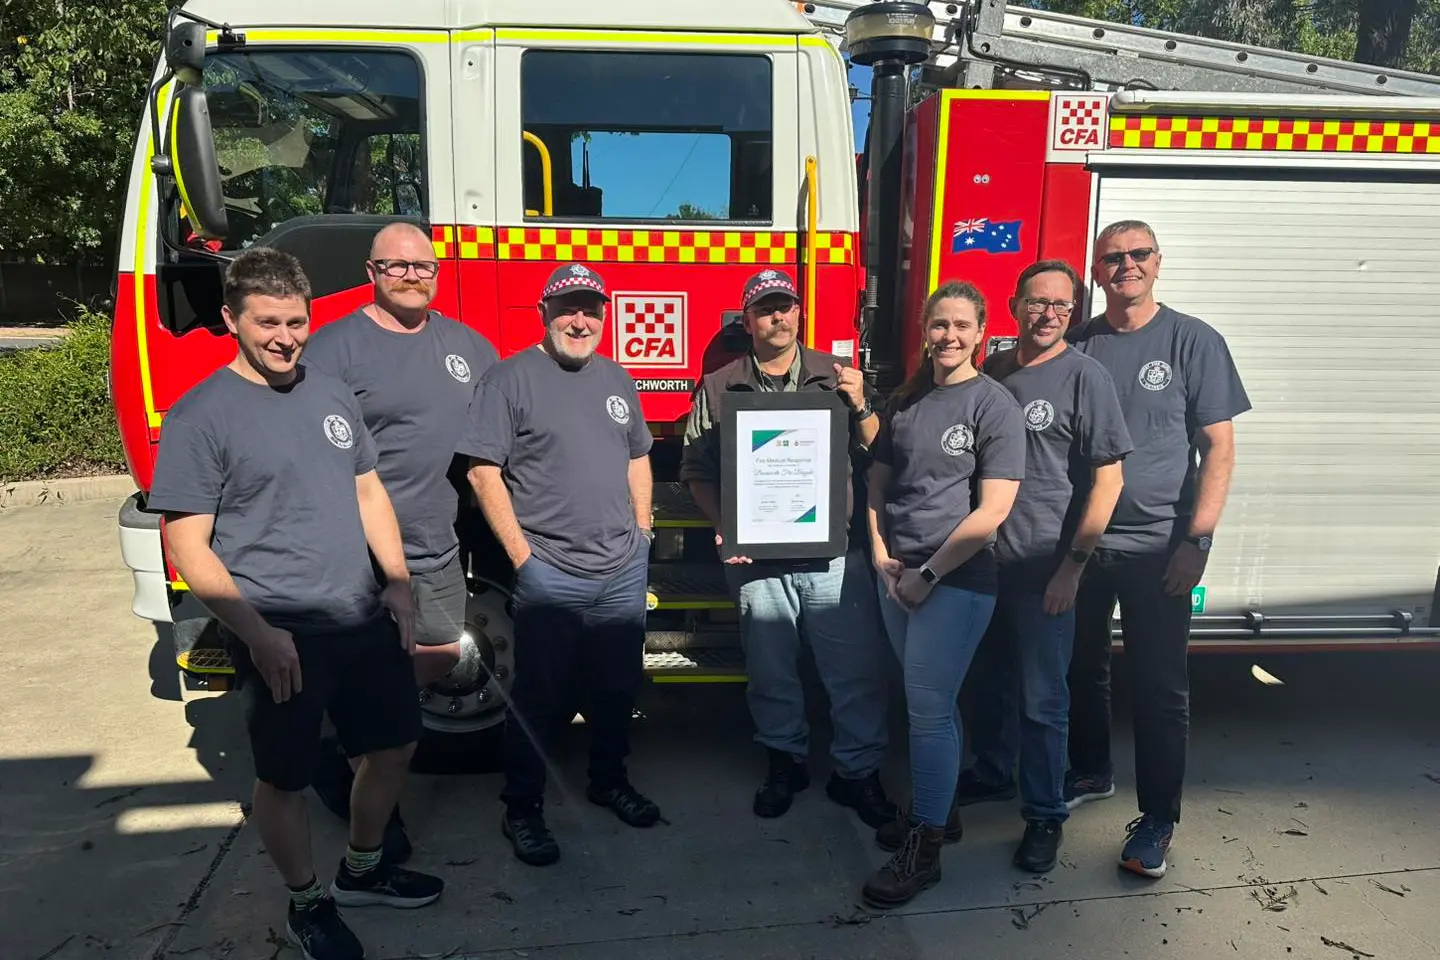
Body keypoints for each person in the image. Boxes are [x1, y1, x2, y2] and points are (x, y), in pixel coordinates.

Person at [148, 248, 443, 960]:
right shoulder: (201, 415)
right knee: (285, 776)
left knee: (396, 745)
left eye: (297, 322)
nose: (285, 337)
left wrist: (397, 582)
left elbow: (368, 489)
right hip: (282, 630)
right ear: (230, 319)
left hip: (359, 614)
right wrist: (257, 634)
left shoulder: (331, 392)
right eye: (268, 323)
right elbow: (188, 547)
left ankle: (363, 870)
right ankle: (307, 904)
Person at [303, 222, 500, 860]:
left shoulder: (468, 346)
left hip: (436, 542)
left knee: (441, 653)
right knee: (370, 677)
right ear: (372, 272)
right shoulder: (333, 348)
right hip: (356, 548)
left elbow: (500, 429)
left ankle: (347, 745)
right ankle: (371, 809)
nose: (411, 277)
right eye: (397, 266)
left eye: (423, 267)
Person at [1066, 220, 1251, 879]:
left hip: (1158, 550)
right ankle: (1089, 771)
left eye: (1138, 254)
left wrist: (1195, 542)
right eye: (1112, 257)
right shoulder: (1078, 342)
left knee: (1159, 686)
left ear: (1158, 262)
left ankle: (1157, 819)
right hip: (1084, 546)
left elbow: (1219, 449)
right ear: (1096, 271)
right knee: (1080, 669)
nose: (1126, 266)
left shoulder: (1192, 340)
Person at [679, 269, 896, 828]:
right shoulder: (720, 385)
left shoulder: (837, 376)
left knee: (854, 671)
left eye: (787, 306)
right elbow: (696, 470)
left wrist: (863, 404)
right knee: (771, 670)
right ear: (746, 321)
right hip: (757, 560)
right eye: (766, 308)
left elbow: (880, 455)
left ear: (800, 313)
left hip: (833, 555)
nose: (780, 317)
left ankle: (858, 772)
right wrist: (726, 524)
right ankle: (785, 763)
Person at [461, 263, 660, 867]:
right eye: (568, 307)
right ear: (543, 313)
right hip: (552, 569)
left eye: (591, 308)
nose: (581, 319)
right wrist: (524, 558)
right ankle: (522, 808)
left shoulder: (617, 379)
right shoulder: (509, 380)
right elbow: (481, 471)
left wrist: (644, 531)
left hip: (622, 566)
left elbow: (638, 458)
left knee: (616, 687)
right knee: (539, 695)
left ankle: (608, 781)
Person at [957, 260, 1133, 874]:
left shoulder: (1087, 378)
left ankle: (1044, 814)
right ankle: (992, 772)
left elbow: (1108, 481)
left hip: (1043, 571)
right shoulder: (995, 370)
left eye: (1060, 305)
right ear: (1015, 306)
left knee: (1042, 700)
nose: (1048, 313)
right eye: (1037, 302)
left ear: (1073, 313)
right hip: (984, 565)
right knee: (989, 684)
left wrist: (1072, 568)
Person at [861, 280, 1025, 908]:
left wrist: (928, 575)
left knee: (927, 710)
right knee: (934, 702)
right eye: (938, 325)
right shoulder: (905, 399)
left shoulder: (994, 405)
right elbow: (878, 483)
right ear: (924, 331)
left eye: (961, 325)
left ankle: (923, 850)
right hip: (896, 576)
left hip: (953, 582)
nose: (949, 336)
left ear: (982, 332)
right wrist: (880, 554)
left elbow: (994, 510)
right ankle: (943, 812)